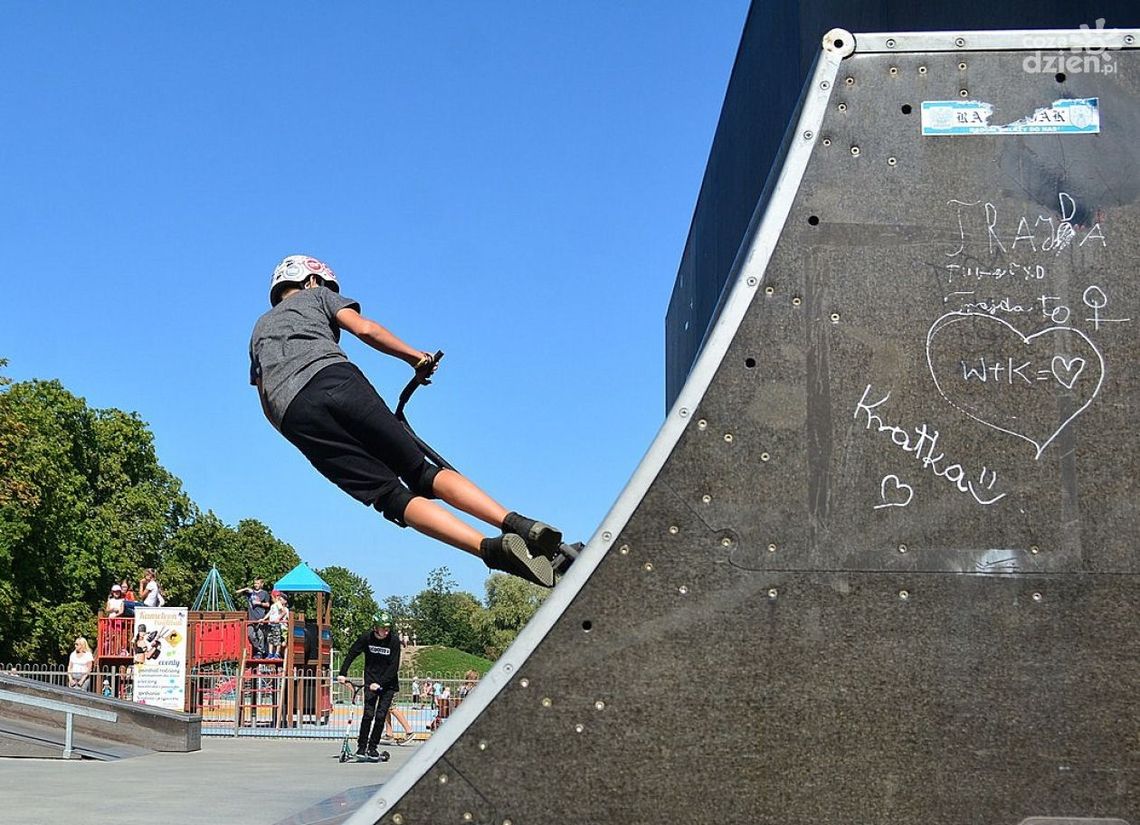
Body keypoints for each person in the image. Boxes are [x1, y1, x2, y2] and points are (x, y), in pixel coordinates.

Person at [248, 255, 568, 587]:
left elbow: (263, 396)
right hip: (334, 378)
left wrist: (301, 433)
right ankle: (516, 523)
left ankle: (490, 550)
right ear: (312, 280)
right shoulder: (317, 295)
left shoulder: (259, 329)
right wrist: (415, 357)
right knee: (420, 472)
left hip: (294, 417)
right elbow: (366, 329)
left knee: (389, 496)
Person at [337, 611, 401, 761]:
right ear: (375, 628)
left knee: (380, 716)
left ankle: (373, 748)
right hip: (370, 680)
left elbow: (394, 666)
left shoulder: (394, 641)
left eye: (388, 628)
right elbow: (352, 653)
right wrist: (342, 673)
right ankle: (361, 747)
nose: (386, 631)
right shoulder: (367, 637)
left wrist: (380, 683)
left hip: (388, 683)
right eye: (383, 628)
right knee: (368, 714)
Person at [235, 578, 271, 658]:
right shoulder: (250, 593)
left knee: (260, 635)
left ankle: (260, 652)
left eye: (257, 583)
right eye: (255, 583)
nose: (256, 585)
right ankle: (260, 650)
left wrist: (259, 603)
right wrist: (246, 589)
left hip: (260, 618)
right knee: (250, 635)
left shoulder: (264, 593)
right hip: (251, 618)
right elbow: (236, 592)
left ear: (262, 584)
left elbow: (268, 605)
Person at [263, 590, 289, 659]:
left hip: (276, 624)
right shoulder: (273, 605)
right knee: (270, 639)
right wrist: (263, 619)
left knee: (277, 639)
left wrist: (278, 618)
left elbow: (283, 612)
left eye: (272, 597)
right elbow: (270, 613)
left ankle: (277, 653)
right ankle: (270, 653)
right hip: (271, 623)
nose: (271, 599)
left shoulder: (278, 604)